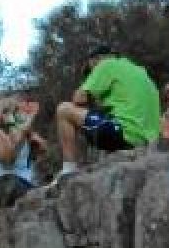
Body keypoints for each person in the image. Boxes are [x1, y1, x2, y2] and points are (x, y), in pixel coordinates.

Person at [53, 46, 161, 182]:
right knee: (106, 118)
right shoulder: (141, 71)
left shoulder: (106, 64)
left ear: (95, 61)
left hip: (124, 134)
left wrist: (91, 96)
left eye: (90, 71)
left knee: (64, 109)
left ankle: (68, 170)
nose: (91, 75)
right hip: (149, 142)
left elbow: (79, 98)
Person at [0, 95, 46, 208]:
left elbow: (43, 151)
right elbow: (8, 160)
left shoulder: (23, 134)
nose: (19, 114)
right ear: (2, 115)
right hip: (4, 183)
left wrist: (29, 133)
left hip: (26, 183)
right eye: (14, 111)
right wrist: (21, 131)